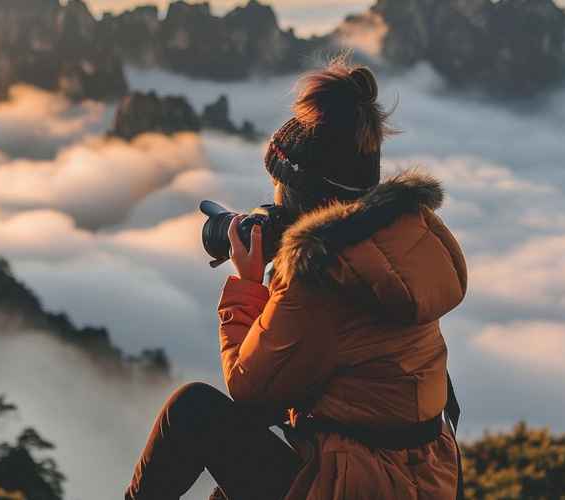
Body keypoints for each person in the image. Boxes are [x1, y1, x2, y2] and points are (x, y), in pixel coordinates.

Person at [125, 59, 467, 500]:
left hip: (358, 485)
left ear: (309, 198)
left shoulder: (320, 274)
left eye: (281, 191)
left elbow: (250, 390)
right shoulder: (402, 238)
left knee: (191, 412)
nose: (275, 203)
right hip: (424, 478)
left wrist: (250, 282)